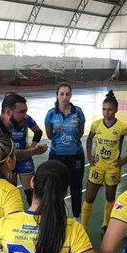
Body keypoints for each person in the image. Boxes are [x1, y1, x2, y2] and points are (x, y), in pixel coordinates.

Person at [81, 90, 127, 233]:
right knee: (89, 197)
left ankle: (106, 224)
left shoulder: (122, 127)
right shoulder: (96, 124)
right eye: (104, 109)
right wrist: (90, 157)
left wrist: (124, 160)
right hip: (97, 166)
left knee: (110, 197)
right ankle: (83, 227)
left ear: (116, 110)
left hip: (112, 168)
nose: (106, 113)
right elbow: (90, 139)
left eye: (110, 110)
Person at [0, 92, 48, 204]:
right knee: (9, 192)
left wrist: (32, 149)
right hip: (5, 167)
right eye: (21, 112)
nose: (25, 116)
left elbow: (38, 132)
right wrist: (31, 151)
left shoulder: (6, 129)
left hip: (22, 158)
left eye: (26, 112)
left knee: (28, 192)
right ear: (8, 111)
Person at [45, 83, 86, 221]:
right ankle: (57, 215)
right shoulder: (51, 114)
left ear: (71, 95)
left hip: (75, 155)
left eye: (67, 94)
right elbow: (50, 136)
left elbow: (80, 133)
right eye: (61, 94)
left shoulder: (78, 112)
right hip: (57, 155)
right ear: (57, 95)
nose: (64, 97)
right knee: (56, 187)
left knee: (76, 186)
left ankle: (76, 216)